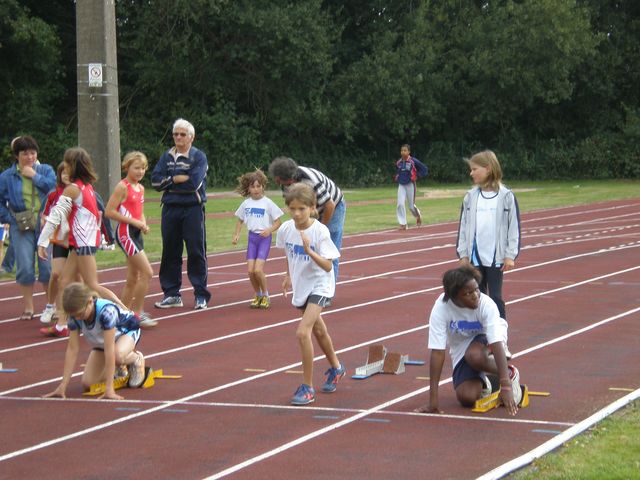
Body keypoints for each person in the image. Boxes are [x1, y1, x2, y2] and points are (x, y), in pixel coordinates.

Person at [37, 147, 126, 337]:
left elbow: (54, 216)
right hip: (82, 243)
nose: (65, 167)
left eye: (67, 163)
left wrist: (42, 242)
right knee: (64, 281)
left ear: (73, 166)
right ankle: (62, 324)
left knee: (92, 285)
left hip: (83, 244)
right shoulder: (87, 187)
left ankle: (125, 313)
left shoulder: (73, 189)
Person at [414, 266, 522, 416]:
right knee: (467, 397)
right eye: (468, 293)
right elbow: (437, 352)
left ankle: (509, 373)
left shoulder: (486, 305)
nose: (475, 295)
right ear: (454, 296)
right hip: (461, 346)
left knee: (474, 355)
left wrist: (506, 385)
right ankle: (488, 382)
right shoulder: (441, 308)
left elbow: (495, 343)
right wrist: (433, 402)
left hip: (488, 339)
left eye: (476, 289)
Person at [276, 183, 345, 406]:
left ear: (312, 207)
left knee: (302, 332)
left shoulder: (320, 231)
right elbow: (287, 252)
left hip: (321, 285)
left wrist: (309, 251)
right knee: (318, 330)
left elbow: (327, 266)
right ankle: (337, 367)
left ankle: (307, 387)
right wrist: (288, 275)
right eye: (292, 208)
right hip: (302, 285)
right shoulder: (286, 229)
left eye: (302, 209)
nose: (297, 214)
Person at [455, 150, 520, 353]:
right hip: (475, 257)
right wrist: (463, 254)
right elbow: (464, 227)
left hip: (496, 258)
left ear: (488, 169)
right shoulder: (470, 197)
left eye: (475, 169)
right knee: (477, 298)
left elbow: (513, 227)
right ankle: (481, 340)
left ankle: (501, 341)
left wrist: (510, 254)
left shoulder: (506, 196)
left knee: (496, 298)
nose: (471, 173)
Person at [42, 282, 145, 400]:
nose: (78, 318)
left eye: (80, 314)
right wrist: (62, 386)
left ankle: (135, 359)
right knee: (88, 383)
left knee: (116, 355)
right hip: (102, 343)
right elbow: (72, 349)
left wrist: (109, 389)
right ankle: (119, 367)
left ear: (90, 301)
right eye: (74, 316)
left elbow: (110, 350)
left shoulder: (107, 312)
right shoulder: (74, 316)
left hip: (126, 332)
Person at [151, 118, 211, 310]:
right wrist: (175, 179)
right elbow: (154, 181)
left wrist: (170, 182)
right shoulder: (166, 157)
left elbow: (193, 183)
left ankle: (201, 294)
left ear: (191, 137)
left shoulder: (198, 157)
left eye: (182, 134)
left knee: (196, 250)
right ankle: (171, 294)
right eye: (175, 134)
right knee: (170, 251)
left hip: (192, 208)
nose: (178, 137)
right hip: (170, 208)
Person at [0, 135, 56, 321]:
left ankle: (51, 306)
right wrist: (10, 217)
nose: (30, 157)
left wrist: (36, 177)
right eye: (25, 153)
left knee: (47, 267)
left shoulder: (45, 170)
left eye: (33, 153)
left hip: (45, 224)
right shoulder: (7, 176)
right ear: (17, 155)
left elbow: (55, 189)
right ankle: (29, 307)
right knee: (24, 266)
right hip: (20, 225)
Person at [269, 156, 345, 283]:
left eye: (277, 179)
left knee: (329, 251)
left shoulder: (311, 181)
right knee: (309, 248)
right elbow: (293, 206)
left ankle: (327, 291)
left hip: (334, 207)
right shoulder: (286, 185)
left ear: (280, 178)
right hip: (309, 209)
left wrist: (321, 228)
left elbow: (329, 204)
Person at [105, 151, 157, 327]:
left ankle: (121, 313)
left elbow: (139, 211)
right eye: (136, 168)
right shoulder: (122, 187)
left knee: (132, 278)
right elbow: (109, 211)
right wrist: (135, 222)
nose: (140, 172)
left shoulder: (140, 188)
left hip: (136, 233)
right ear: (127, 167)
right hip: (125, 234)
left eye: (143, 168)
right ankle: (137, 313)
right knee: (148, 273)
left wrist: (143, 223)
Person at [232, 169, 283, 309]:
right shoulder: (246, 204)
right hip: (252, 239)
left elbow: (278, 222)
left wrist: (269, 230)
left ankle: (266, 295)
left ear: (263, 187)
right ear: (248, 188)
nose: (256, 189)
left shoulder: (268, 203)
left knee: (258, 270)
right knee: (250, 271)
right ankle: (258, 294)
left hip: (264, 239)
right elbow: (239, 220)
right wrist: (236, 234)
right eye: (252, 186)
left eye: (258, 186)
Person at [38, 162, 73, 331]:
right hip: (59, 241)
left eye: (70, 173)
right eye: (63, 173)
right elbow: (45, 218)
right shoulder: (54, 194)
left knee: (72, 279)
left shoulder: (79, 192)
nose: (66, 176)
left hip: (75, 241)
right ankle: (50, 305)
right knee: (57, 274)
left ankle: (65, 313)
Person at [394, 144, 428, 230]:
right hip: (401, 185)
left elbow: (424, 169)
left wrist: (418, 176)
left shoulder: (413, 161)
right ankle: (403, 224)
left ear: (409, 152)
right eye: (402, 150)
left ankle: (418, 215)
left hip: (410, 185)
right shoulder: (399, 162)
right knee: (400, 204)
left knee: (411, 206)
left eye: (405, 150)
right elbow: (398, 171)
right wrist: (397, 176)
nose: (403, 152)